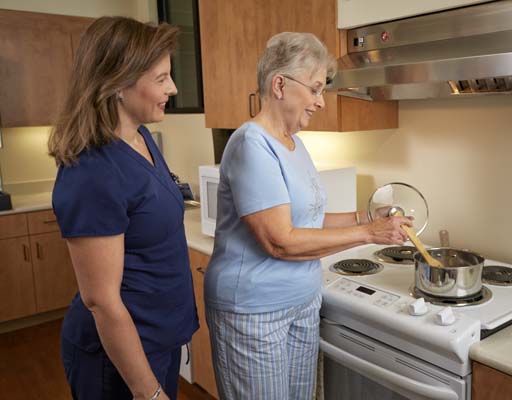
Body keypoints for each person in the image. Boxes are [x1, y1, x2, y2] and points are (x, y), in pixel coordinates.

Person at [203, 31, 413, 400]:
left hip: (301, 303)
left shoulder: (294, 143)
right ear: (280, 85)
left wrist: (367, 214)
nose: (320, 102)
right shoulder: (252, 144)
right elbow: (280, 240)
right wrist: (368, 232)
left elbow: (309, 220)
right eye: (315, 89)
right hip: (255, 313)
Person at [48, 17, 198, 400]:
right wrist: (147, 392)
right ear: (117, 82)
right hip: (117, 358)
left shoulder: (141, 137)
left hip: (156, 339)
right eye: (161, 78)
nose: (174, 88)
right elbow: (101, 300)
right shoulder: (93, 171)